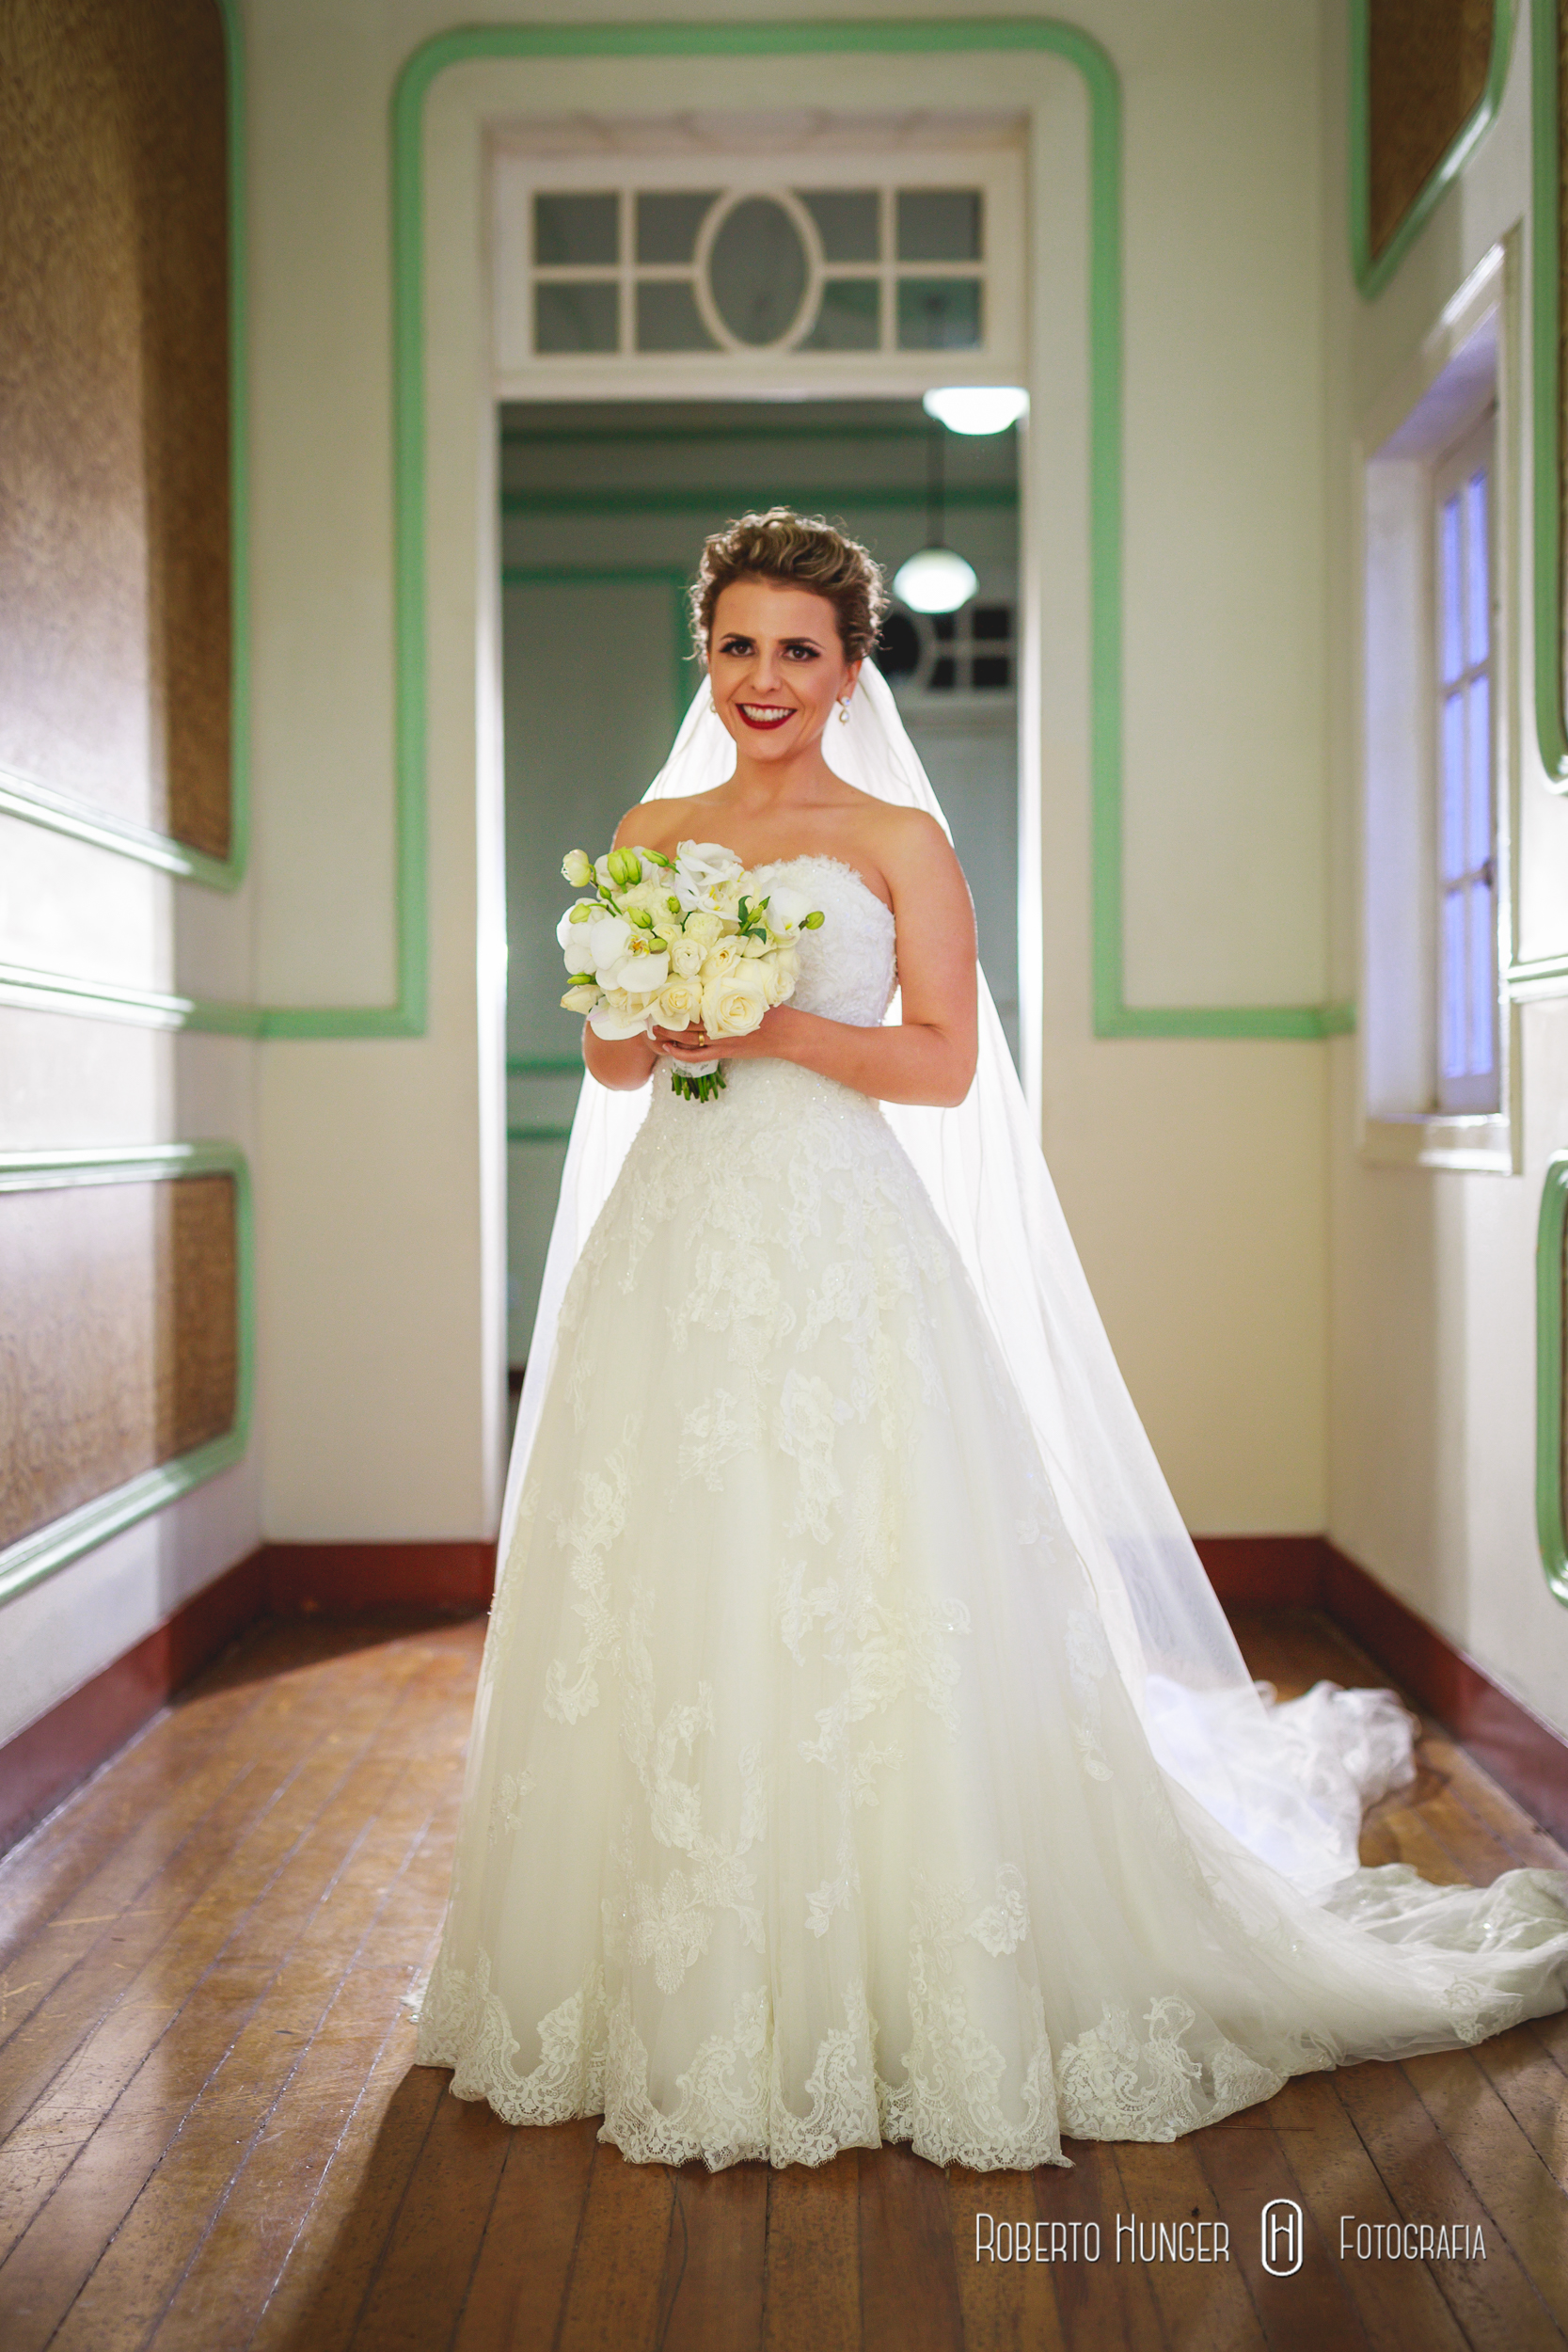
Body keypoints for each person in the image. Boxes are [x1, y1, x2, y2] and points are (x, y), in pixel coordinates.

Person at [417, 510, 1568, 2171]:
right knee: (666, 1569)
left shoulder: (898, 839)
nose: (763, 678)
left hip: (839, 1234)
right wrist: (648, 1014)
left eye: (796, 650)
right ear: (707, 655)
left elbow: (947, 1066)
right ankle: (650, 1977)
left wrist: (780, 1020)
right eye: (737, 646)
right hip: (675, 1237)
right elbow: (617, 1077)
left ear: (848, 664)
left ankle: (898, 1962)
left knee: (868, 1572)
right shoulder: (655, 828)